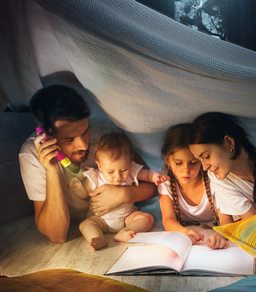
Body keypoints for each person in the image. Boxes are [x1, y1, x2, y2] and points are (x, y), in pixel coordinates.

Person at [19, 85, 157, 243]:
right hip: (91, 224)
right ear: (45, 137)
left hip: (124, 218)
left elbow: (152, 187)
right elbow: (57, 235)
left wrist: (124, 194)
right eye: (69, 139)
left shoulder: (106, 133)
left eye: (85, 131)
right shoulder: (31, 155)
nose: (84, 145)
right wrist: (52, 172)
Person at [69, 132, 166, 250]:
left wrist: (156, 176)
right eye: (111, 172)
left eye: (123, 169)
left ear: (130, 161)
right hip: (100, 219)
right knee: (86, 224)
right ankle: (97, 237)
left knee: (146, 218)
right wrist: (77, 188)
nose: (118, 176)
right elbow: (85, 193)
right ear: (99, 166)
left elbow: (146, 174)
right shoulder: (95, 177)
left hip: (127, 217)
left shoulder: (131, 170)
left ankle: (126, 231)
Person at [158, 124, 231, 249]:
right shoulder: (166, 181)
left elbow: (226, 219)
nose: (186, 170)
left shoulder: (213, 180)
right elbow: (168, 219)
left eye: (193, 163)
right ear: (167, 161)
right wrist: (184, 232)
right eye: (178, 163)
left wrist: (221, 234)